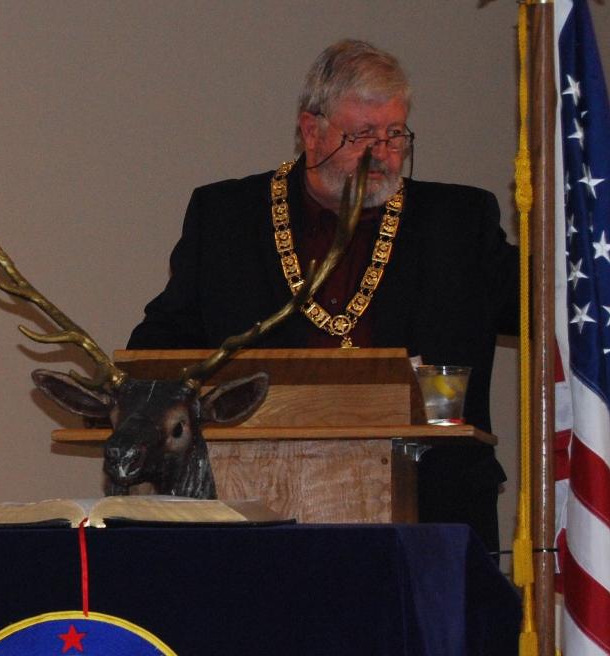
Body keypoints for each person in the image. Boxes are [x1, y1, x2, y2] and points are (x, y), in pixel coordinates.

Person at [127, 39, 519, 552]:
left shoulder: (458, 222)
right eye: (361, 135)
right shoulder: (228, 217)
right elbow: (165, 339)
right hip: (260, 503)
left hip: (433, 510)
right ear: (311, 132)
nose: (382, 154)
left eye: (395, 133)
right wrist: (129, 396)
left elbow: (556, 306)